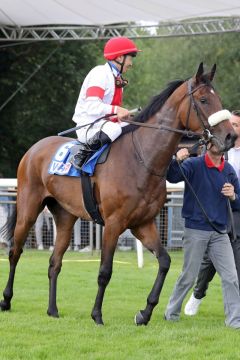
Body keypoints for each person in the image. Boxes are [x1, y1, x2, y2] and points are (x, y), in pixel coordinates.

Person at [164, 112, 240, 328]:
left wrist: (233, 195)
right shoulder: (193, 165)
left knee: (231, 277)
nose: (216, 143)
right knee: (188, 277)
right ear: (207, 144)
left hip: (220, 233)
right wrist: (175, 160)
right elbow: (172, 176)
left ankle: (235, 322)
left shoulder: (228, 171)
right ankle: (171, 314)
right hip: (195, 230)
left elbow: (238, 203)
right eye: (213, 140)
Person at [184, 110, 240, 316]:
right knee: (209, 262)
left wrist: (234, 195)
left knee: (234, 263)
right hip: (216, 211)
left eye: (235, 125)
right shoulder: (217, 148)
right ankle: (197, 295)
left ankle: (235, 313)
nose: (229, 128)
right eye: (229, 124)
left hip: (235, 207)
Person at [71, 36, 141, 169]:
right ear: (120, 58)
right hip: (89, 126)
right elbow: (92, 106)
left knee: (134, 125)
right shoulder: (100, 73)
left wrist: (121, 115)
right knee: (114, 128)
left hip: (103, 125)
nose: (131, 63)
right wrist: (117, 110)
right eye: (130, 58)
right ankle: (81, 155)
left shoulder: (116, 76)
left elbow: (108, 110)